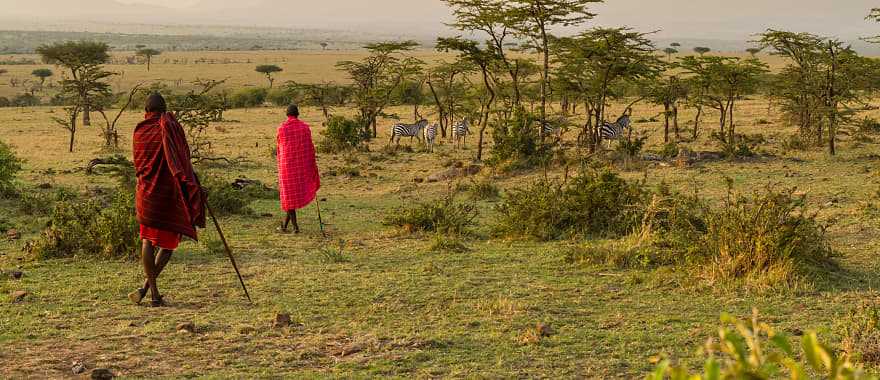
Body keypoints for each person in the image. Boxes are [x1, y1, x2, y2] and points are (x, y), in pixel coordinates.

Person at [129, 93, 206, 307]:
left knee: (147, 239)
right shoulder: (169, 127)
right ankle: (152, 293)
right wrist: (193, 183)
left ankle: (148, 290)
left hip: (145, 193)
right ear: (164, 110)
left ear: (146, 111)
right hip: (166, 194)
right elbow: (180, 160)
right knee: (169, 244)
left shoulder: (140, 130)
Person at [276, 104, 320, 233]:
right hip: (301, 167)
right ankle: (285, 226)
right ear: (298, 114)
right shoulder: (305, 128)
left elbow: (280, 147)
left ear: (287, 114)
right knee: (290, 198)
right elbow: (310, 148)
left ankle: (295, 228)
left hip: (286, 167)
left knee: (289, 197)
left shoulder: (282, 128)